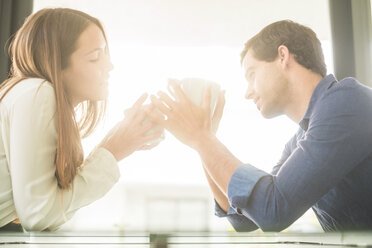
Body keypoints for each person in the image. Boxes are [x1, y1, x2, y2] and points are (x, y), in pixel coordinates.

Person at [148, 20, 372, 232]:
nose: (247, 92)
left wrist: (202, 138)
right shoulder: (301, 139)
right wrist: (204, 142)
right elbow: (244, 220)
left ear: (283, 56)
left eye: (251, 74)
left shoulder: (346, 103)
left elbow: (274, 210)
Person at [0, 8, 163, 231]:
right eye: (95, 57)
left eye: (105, 55)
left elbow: (52, 213)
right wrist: (113, 149)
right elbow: (38, 215)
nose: (109, 66)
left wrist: (118, 143)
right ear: (56, 63)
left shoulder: (31, 95)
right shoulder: (38, 92)